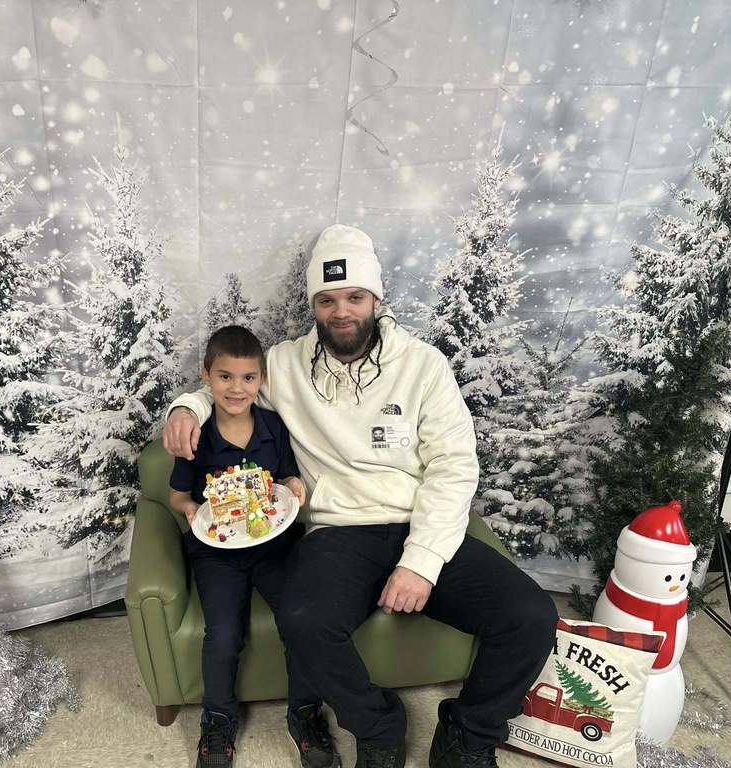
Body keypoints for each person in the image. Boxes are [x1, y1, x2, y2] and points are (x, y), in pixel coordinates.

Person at [164, 225, 558, 768]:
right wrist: (186, 407)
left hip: (419, 523)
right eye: (326, 300)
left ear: (376, 297)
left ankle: (468, 735)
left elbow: (454, 467)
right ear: (314, 306)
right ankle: (378, 725)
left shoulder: (424, 365)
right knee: (302, 620)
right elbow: (231, 387)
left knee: (531, 615)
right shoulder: (284, 364)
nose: (341, 311)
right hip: (338, 533)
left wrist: (420, 563)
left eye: (354, 296)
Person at [169, 325, 334, 768]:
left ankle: (305, 713)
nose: (236, 388)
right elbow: (179, 496)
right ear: (206, 376)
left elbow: (285, 478)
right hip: (217, 551)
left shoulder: (274, 426)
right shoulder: (197, 435)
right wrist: (190, 511)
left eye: (247, 378)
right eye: (225, 377)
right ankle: (218, 719)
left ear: (260, 380)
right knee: (223, 634)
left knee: (300, 621)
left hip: (274, 544)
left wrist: (294, 485)